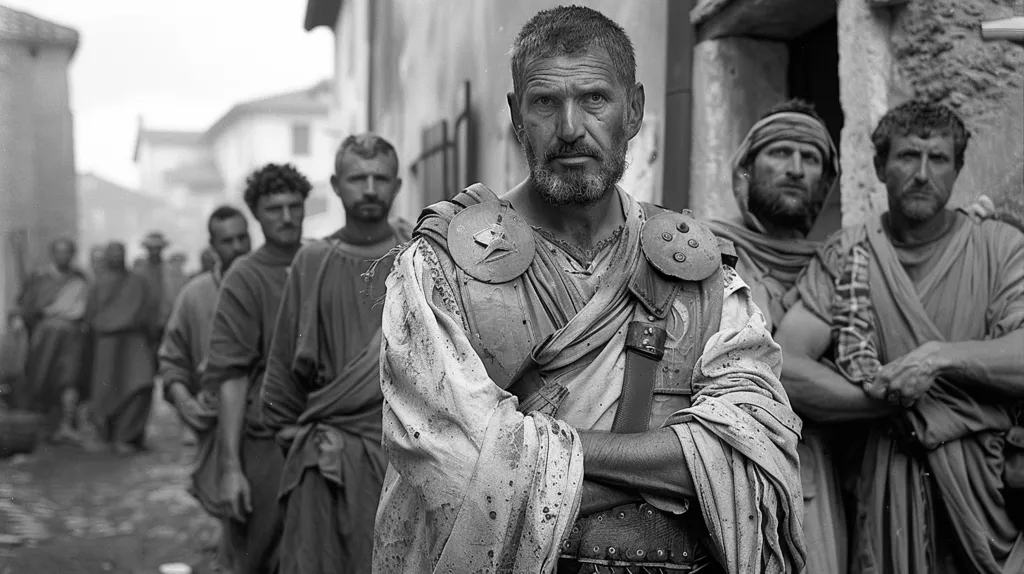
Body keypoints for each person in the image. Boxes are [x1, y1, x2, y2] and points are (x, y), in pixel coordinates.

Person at [373, 7, 804, 573]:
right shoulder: (441, 265)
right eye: (545, 102)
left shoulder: (698, 269)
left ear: (635, 110)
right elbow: (455, 466)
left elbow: (754, 443)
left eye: (595, 98)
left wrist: (531, 453)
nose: (571, 127)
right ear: (516, 115)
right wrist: (676, 467)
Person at [776, 100, 1024, 573]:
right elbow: (786, 366)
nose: (923, 174)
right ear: (879, 167)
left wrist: (936, 358)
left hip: (988, 492)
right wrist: (892, 403)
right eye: (909, 156)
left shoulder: (1000, 247)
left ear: (958, 169)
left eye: (939, 159)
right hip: (884, 483)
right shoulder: (850, 252)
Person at [706, 99, 849, 574]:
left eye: (810, 159)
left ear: (826, 183)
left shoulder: (843, 263)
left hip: (822, 475)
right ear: (745, 170)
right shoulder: (707, 249)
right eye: (780, 153)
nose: (795, 169)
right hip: (728, 468)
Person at [262, 133, 412, 574]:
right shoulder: (312, 261)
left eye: (380, 178)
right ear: (335, 185)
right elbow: (282, 367)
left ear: (397, 186)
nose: (370, 189)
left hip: (406, 454)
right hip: (328, 455)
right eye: (357, 178)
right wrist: (289, 433)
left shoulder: (418, 256)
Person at [204, 163, 309, 574]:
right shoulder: (244, 277)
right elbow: (231, 376)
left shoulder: (324, 260)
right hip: (266, 439)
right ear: (257, 214)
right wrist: (231, 467)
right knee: (262, 550)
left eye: (294, 206)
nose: (286, 217)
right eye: (273, 209)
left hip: (326, 431)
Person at [158, 205, 251, 572]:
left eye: (243, 238)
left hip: (266, 422)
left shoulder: (278, 284)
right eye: (228, 241)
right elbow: (171, 359)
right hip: (215, 420)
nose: (238, 247)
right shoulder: (194, 295)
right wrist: (184, 401)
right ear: (213, 246)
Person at [10, 237, 90, 443]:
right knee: (43, 377)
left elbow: (87, 307)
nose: (64, 256)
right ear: (53, 254)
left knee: (70, 378)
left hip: (72, 336)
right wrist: (21, 317)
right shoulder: (39, 279)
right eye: (59, 252)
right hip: (45, 337)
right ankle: (47, 424)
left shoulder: (79, 279)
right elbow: (26, 305)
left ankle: (67, 424)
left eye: (67, 252)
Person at [85, 241, 158, 455]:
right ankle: (111, 436)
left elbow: (149, 311)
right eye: (112, 253)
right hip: (107, 343)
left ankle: (129, 435)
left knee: (141, 385)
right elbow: (90, 315)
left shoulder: (138, 281)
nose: (117, 257)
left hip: (135, 340)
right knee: (107, 390)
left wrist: (150, 337)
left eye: (120, 253)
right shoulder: (97, 283)